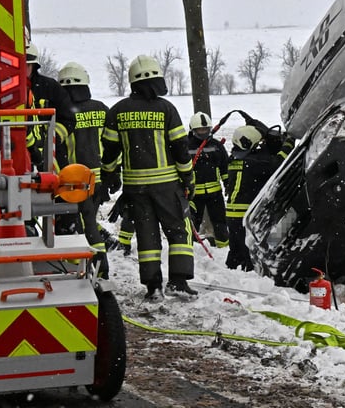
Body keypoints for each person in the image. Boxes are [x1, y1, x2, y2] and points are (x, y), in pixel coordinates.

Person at [100, 54, 197, 300]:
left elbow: (110, 150)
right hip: (166, 186)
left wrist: (110, 176)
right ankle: (178, 281)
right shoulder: (166, 108)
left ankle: (153, 286)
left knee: (147, 235)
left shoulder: (118, 110)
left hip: (135, 189)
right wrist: (188, 179)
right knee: (178, 232)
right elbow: (180, 148)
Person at [57, 61, 112, 278]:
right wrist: (110, 173)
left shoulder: (61, 112)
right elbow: (111, 144)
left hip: (73, 180)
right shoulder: (101, 109)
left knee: (79, 225)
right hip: (97, 178)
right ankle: (98, 268)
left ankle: (92, 269)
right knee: (90, 222)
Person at [224, 125, 286, 270]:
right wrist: (288, 144)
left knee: (235, 247)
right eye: (257, 145)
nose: (259, 147)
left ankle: (231, 269)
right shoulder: (252, 163)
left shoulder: (235, 159)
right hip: (244, 213)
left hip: (231, 213)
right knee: (248, 249)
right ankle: (249, 272)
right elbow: (277, 163)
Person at [26, 43, 75, 173]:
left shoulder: (49, 87)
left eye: (26, 66)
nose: (22, 70)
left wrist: (52, 139)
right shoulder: (9, 91)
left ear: (33, 66)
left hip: (52, 155)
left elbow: (68, 118)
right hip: (20, 154)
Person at [187, 112, 230, 248]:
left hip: (215, 194)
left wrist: (228, 184)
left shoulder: (217, 146)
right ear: (193, 130)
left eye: (205, 129)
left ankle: (223, 249)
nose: (203, 132)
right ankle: (193, 250)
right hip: (194, 195)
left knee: (220, 223)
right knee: (193, 223)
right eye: (200, 129)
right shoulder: (186, 146)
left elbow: (224, 167)